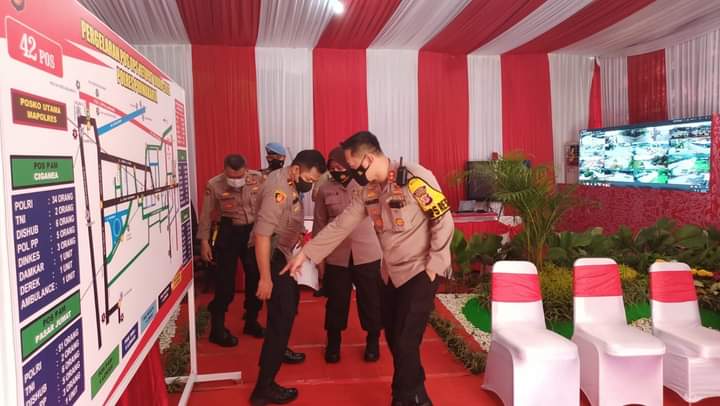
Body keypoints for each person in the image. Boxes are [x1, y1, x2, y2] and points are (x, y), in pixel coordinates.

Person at [283, 132, 454, 406]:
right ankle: (414, 393)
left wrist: (433, 267)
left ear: (368, 159)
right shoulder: (369, 191)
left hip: (419, 271)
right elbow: (341, 225)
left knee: (406, 340)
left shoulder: (415, 177)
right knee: (394, 337)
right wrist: (307, 253)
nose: (351, 173)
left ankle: (405, 397)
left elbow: (443, 221)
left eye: (353, 167)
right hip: (390, 273)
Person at [249, 149, 327, 405]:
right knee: (281, 318)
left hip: (280, 254)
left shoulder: (290, 183)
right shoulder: (278, 189)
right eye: (310, 179)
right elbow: (262, 235)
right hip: (269, 256)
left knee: (289, 305)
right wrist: (265, 278)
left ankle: (279, 349)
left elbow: (288, 218)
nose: (311, 184)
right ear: (296, 170)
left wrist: (299, 234)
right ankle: (263, 388)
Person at [313, 148, 382, 364]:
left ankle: (373, 341)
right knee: (336, 302)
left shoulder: (367, 186)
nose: (337, 171)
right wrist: (320, 261)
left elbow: (382, 220)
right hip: (337, 256)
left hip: (367, 253)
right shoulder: (324, 190)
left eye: (341, 167)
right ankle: (333, 343)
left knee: (371, 300)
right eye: (332, 168)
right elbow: (319, 225)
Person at [197, 154, 264, 347]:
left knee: (255, 278)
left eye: (239, 176)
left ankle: (251, 321)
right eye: (231, 177)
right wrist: (204, 242)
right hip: (228, 232)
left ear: (246, 170)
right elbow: (206, 215)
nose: (235, 180)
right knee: (224, 283)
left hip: (253, 233)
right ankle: (217, 329)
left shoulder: (258, 179)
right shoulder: (214, 184)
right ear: (224, 170)